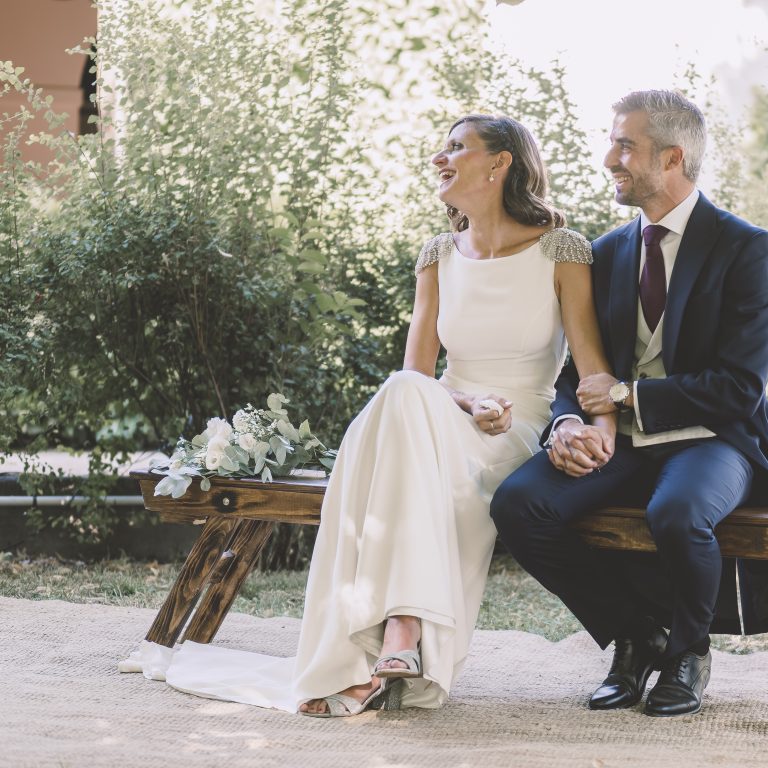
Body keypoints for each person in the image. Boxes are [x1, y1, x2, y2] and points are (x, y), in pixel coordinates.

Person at [123, 114, 615, 716]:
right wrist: (466, 400)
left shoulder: (560, 250)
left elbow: (592, 371)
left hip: (512, 430)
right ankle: (402, 632)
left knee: (400, 406)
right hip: (439, 414)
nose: (440, 156)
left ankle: (390, 636)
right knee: (403, 394)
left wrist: (599, 430)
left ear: (500, 163)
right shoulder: (437, 255)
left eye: (457, 147)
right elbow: (418, 374)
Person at [490, 90, 768, 718]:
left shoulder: (745, 248)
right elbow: (578, 369)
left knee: (678, 512)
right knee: (519, 504)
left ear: (672, 157)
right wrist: (564, 422)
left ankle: (689, 652)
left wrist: (626, 395)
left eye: (624, 145)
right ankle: (634, 636)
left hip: (715, 439)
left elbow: (740, 387)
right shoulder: (607, 251)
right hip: (620, 440)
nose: (609, 157)